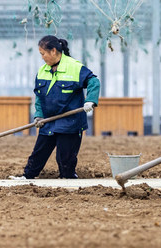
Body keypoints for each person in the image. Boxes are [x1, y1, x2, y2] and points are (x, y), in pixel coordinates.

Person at [16, 35, 100, 179]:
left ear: (53, 51)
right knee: (39, 152)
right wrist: (39, 115)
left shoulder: (74, 67)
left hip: (70, 122)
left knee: (65, 158)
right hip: (48, 121)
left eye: (43, 54)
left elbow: (94, 82)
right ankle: (27, 177)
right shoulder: (43, 71)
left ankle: (68, 180)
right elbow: (39, 97)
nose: (42, 57)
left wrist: (90, 100)